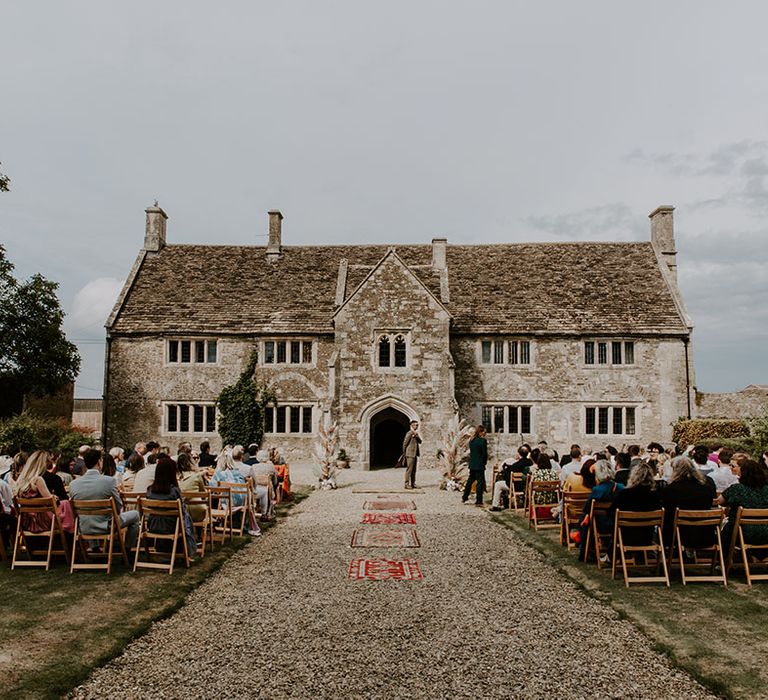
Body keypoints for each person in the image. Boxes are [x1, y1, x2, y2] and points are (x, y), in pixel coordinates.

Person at [69, 448, 140, 549]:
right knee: (135, 515)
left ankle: (95, 547)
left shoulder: (73, 484)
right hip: (106, 526)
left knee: (90, 514)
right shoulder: (109, 481)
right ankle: (128, 549)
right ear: (99, 462)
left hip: (83, 526)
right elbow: (118, 506)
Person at [145, 456, 196, 559]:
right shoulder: (174, 491)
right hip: (172, 527)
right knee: (186, 517)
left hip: (153, 526)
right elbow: (181, 513)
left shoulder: (150, 490)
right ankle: (189, 549)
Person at [661, 456, 717, 550]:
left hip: (678, 536)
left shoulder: (671, 490)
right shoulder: (706, 487)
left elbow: (667, 512)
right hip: (705, 534)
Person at [13, 450, 75, 534]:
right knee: (65, 503)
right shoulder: (38, 480)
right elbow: (50, 501)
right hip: (42, 522)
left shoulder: (21, 479)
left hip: (26, 522)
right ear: (44, 464)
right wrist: (54, 497)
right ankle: (70, 537)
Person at [578, 459, 623, 561]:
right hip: (616, 521)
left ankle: (586, 551)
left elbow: (587, 508)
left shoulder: (597, 490)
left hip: (600, 523)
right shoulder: (620, 487)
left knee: (585, 518)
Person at [610, 462, 663, 546]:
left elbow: (611, 513)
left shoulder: (624, 494)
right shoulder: (655, 496)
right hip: (646, 537)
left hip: (625, 536)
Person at [718, 459, 768, 549]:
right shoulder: (766, 490)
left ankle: (726, 557)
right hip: (766, 533)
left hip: (741, 533)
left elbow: (719, 502)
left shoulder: (737, 489)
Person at [490, 445, 532, 511]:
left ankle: (495, 505)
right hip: (527, 486)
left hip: (516, 486)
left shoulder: (516, 465)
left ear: (519, 453)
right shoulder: (530, 463)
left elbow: (508, 478)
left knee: (498, 484)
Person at [462, 426, 488, 507]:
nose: (485, 434)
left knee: (470, 481)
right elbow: (484, 454)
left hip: (473, 464)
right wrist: (484, 462)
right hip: (479, 464)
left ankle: (465, 496)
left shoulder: (472, 441)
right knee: (480, 483)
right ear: (481, 432)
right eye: (484, 432)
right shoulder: (482, 441)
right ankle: (479, 501)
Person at [402, 420, 422, 490]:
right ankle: (406, 484)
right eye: (415, 425)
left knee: (414, 470)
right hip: (410, 454)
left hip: (415, 454)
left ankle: (413, 484)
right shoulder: (409, 433)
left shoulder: (415, 433)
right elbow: (405, 443)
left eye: (417, 425)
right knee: (409, 470)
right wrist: (404, 453)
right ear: (412, 425)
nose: (417, 426)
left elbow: (420, 441)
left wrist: (416, 436)